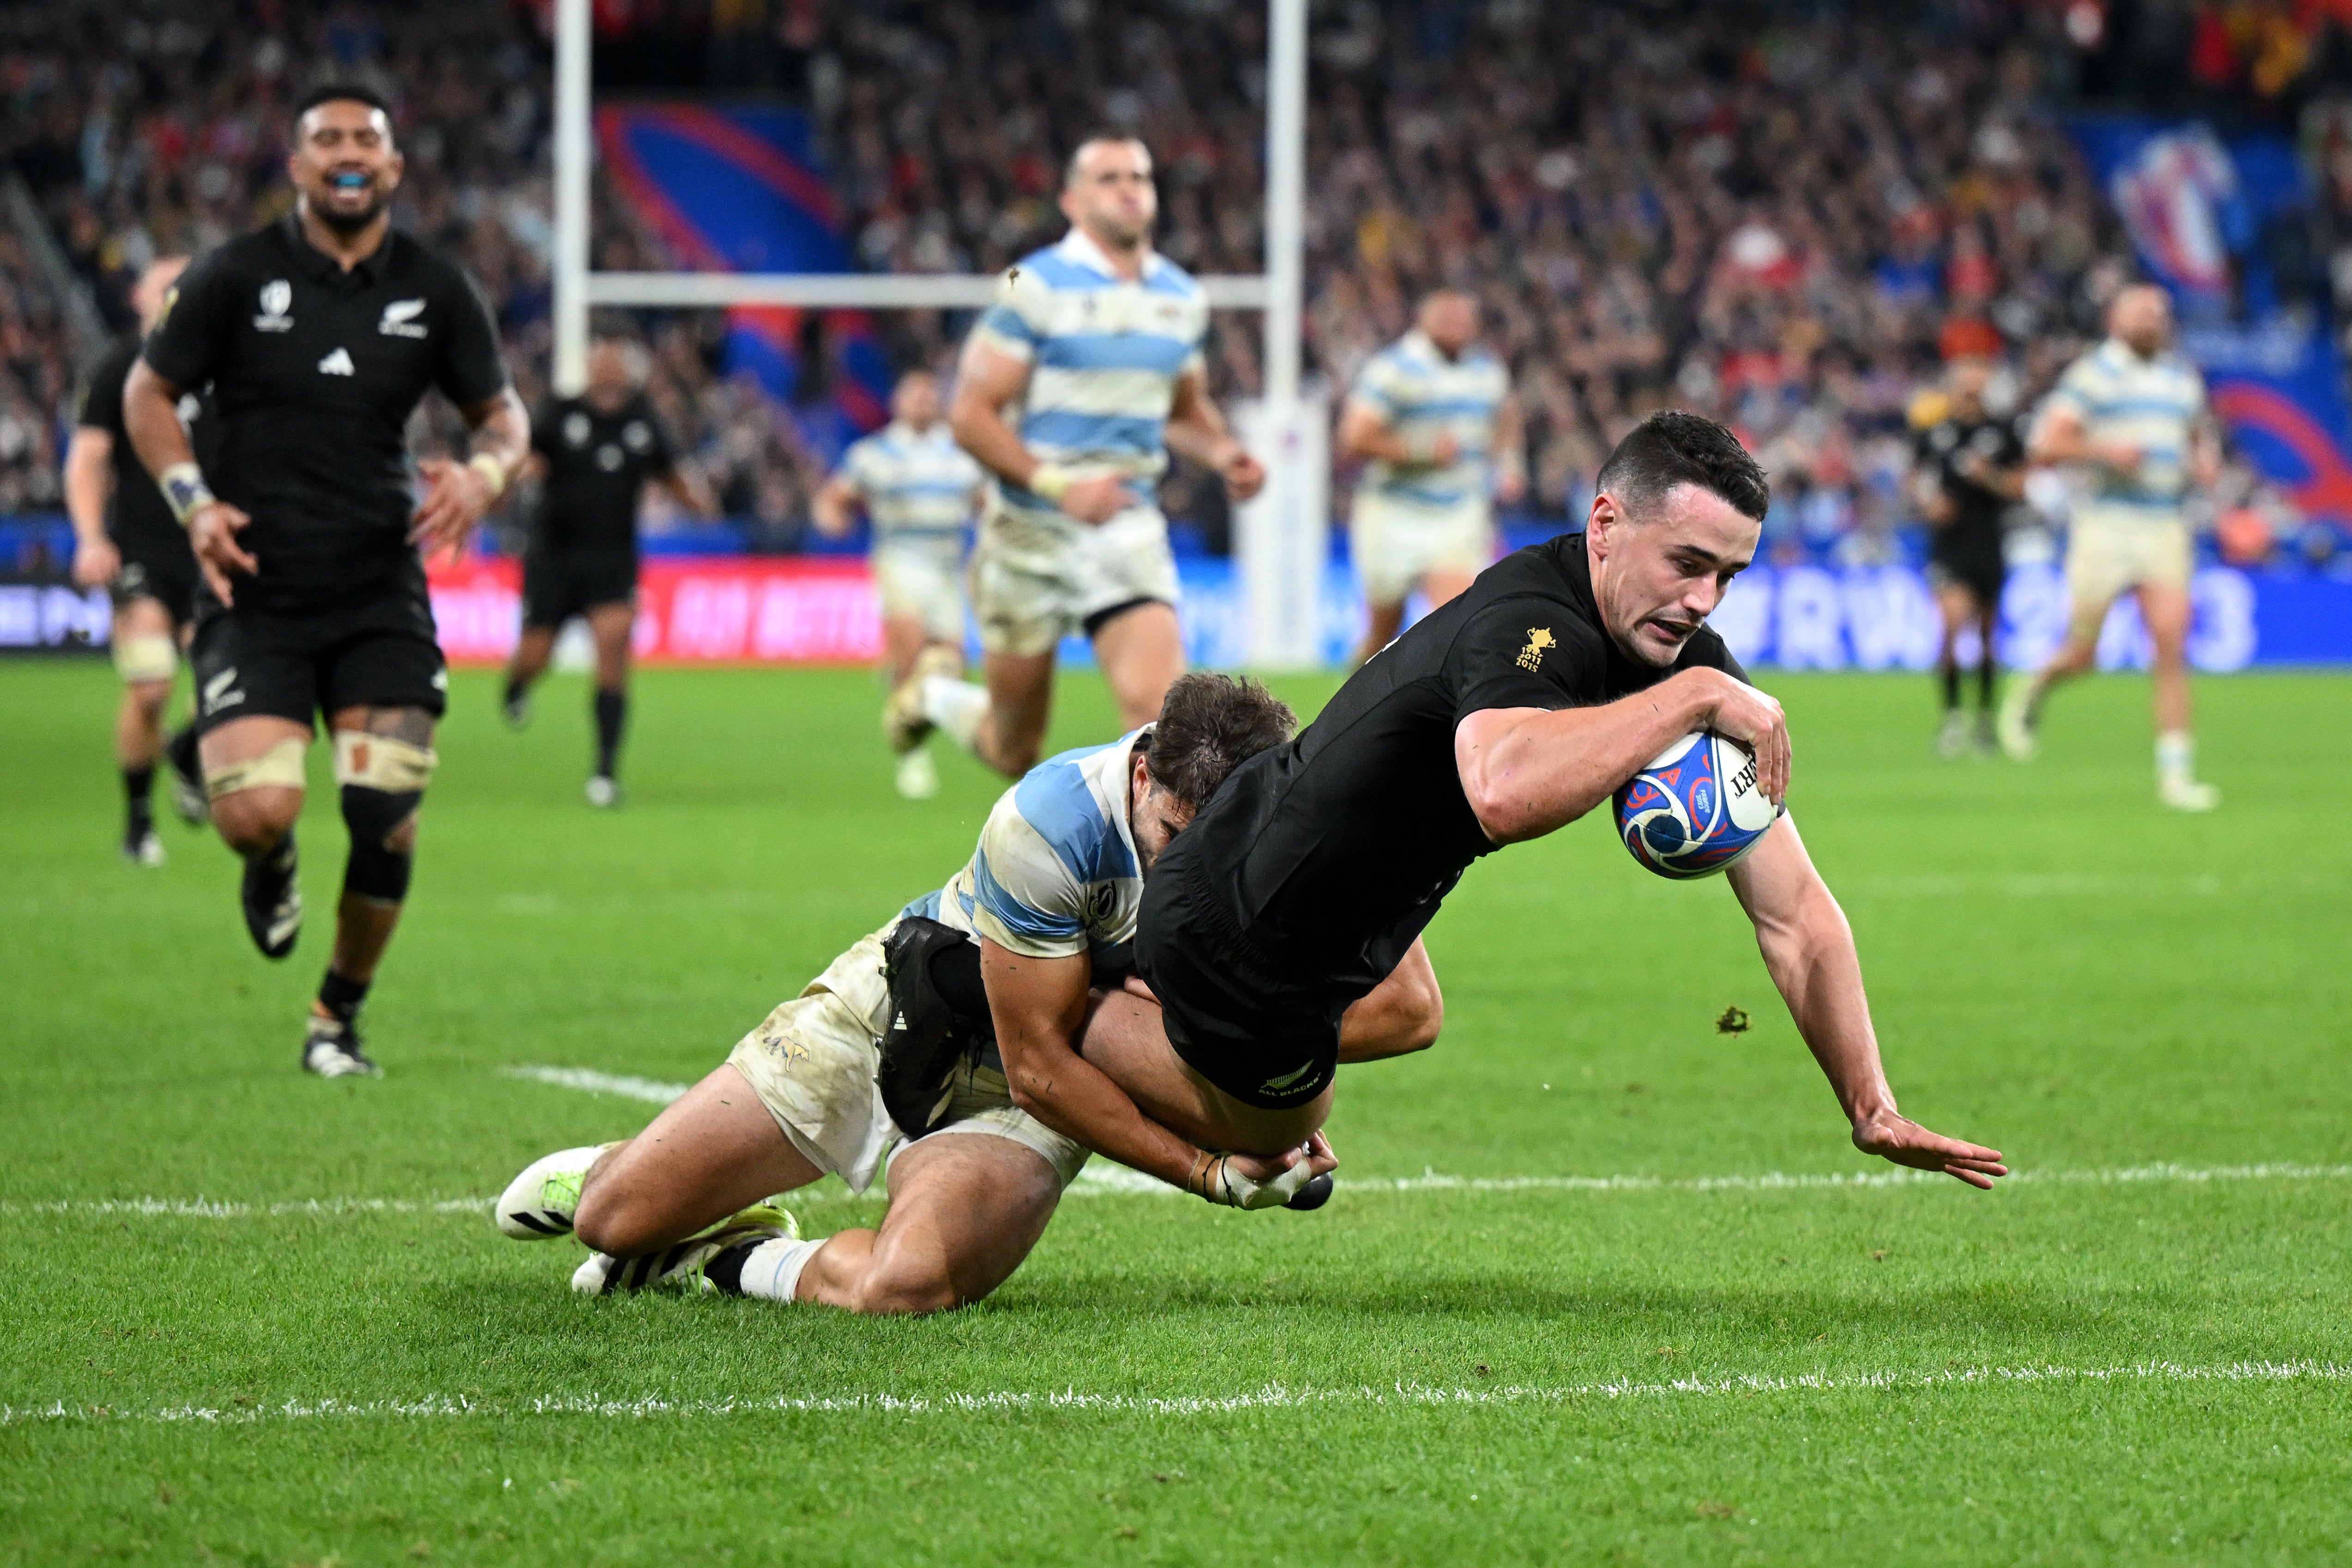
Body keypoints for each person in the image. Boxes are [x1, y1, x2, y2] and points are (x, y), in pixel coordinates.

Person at [995, 412, 2006, 1203]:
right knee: (1275, 1144)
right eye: (1686, 565)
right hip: (1244, 934)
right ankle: (1055, 1020)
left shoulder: (1674, 652)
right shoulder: (1534, 621)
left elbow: (1792, 912)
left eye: (1726, 576)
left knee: (1410, 1010)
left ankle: (1088, 995)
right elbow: (1500, 786)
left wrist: (1867, 1102)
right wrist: (1690, 701)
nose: (1704, 601)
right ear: (1605, 525)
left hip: (1317, 884)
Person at [490, 674, 1438, 1311]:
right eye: (1168, 835)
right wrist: (1203, 1169)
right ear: (1142, 770)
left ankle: (725, 1257)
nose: (1186, 862)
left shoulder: (1307, 818)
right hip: (907, 1008)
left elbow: (1408, 1007)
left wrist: (1257, 1045)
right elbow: (1036, 1066)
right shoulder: (1048, 819)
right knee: (610, 1219)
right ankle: (635, 1169)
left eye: (1213, 840)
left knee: (902, 1286)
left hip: (1060, 1065)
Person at [122, 84, 527, 1078]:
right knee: (256, 810)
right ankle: (272, 864)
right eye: (327, 139)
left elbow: (503, 416)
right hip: (253, 583)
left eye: (367, 139)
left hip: (377, 585)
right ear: (297, 166)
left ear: (392, 167)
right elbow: (149, 391)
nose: (348, 153)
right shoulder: (231, 276)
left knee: (385, 806)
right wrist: (193, 499)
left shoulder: (435, 287)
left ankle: (335, 1016)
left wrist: (483, 473)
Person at [894, 135, 1266, 780]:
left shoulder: (1180, 297)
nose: (1129, 189)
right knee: (1014, 750)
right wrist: (1059, 486)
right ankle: (933, 694)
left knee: (1168, 731)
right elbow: (969, 416)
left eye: (1140, 177)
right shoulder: (1030, 286)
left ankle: (1157, 882)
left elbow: (1184, 410)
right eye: (1108, 178)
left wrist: (1225, 450)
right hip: (1027, 532)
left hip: (1123, 525)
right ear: (1070, 199)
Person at [1998, 285, 2223, 809]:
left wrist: (2204, 459)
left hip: (2163, 523)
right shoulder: (2092, 375)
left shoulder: (2179, 378)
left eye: (2158, 313)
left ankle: (2175, 775)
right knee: (2083, 654)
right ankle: (2035, 686)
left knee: (2170, 642)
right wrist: (2104, 451)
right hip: (2104, 524)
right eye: (2141, 312)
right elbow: (2046, 445)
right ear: (2116, 320)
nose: (2152, 320)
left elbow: (2195, 436)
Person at [500, 333, 714, 808]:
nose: (612, 373)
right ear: (591, 369)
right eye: (604, 364)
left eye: (619, 365)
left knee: (613, 655)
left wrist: (698, 503)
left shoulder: (643, 420)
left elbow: (670, 471)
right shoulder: (559, 411)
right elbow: (528, 460)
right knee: (536, 654)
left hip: (613, 560)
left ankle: (604, 770)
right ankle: (516, 684)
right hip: (553, 556)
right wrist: (505, 481)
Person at [64, 254, 211, 863]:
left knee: (224, 684)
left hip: (213, 553)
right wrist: (92, 537)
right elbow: (88, 458)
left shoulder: (227, 367)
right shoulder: (120, 366)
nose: (178, 295)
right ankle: (139, 820)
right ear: (141, 300)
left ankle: (190, 751)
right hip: (142, 553)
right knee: (151, 685)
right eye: (166, 286)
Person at [812, 369, 986, 800]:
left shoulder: (961, 453)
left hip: (947, 563)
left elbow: (985, 503)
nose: (923, 402)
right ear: (898, 401)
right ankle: (913, 757)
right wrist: (832, 519)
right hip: (900, 558)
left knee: (951, 664)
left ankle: (895, 682)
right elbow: (834, 497)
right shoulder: (876, 453)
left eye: (930, 394)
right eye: (915, 395)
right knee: (912, 651)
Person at [1338, 291, 1525, 668]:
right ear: (1424, 320)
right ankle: (1347, 703)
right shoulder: (1394, 369)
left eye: (1464, 318)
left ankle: (1447, 717)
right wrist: (1420, 451)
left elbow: (1507, 418)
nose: (1457, 326)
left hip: (1456, 511)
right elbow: (1353, 438)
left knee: (1459, 620)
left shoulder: (1486, 371)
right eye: (1447, 318)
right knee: (1381, 633)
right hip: (1395, 510)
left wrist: (1509, 466)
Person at [1912, 356, 2025, 757]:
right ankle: (1953, 717)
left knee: (1988, 639)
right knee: (1950, 627)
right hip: (1949, 545)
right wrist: (1928, 507)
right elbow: (1915, 481)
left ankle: (1983, 720)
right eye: (1964, 383)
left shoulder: (2004, 433)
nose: (1970, 391)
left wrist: (1987, 477)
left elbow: (2019, 487)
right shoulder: (1936, 433)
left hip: (1989, 543)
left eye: (1977, 383)